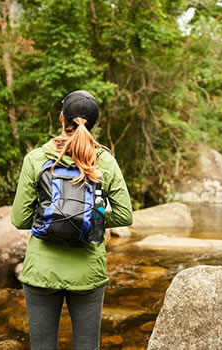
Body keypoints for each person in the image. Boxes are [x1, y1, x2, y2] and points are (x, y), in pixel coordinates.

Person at [11, 90, 133, 350]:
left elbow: (19, 219)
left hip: (41, 272)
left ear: (60, 117)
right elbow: (125, 214)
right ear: (94, 124)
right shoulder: (105, 162)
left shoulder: (36, 159)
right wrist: (93, 217)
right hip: (88, 272)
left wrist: (50, 216)